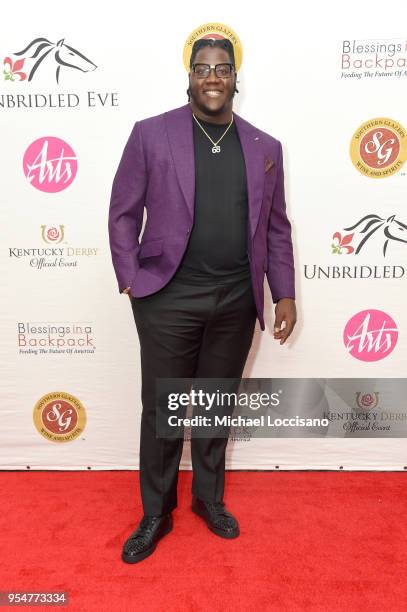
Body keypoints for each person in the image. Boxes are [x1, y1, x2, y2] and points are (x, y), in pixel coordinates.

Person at [108, 37, 297, 564]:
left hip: (237, 297)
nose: (212, 77)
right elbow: (122, 212)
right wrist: (131, 279)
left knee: (216, 406)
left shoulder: (264, 146)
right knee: (165, 411)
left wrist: (283, 292)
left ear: (237, 77)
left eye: (222, 69)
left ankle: (208, 500)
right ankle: (155, 512)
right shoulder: (152, 134)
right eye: (202, 68)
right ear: (189, 75)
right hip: (168, 296)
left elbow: (276, 227)